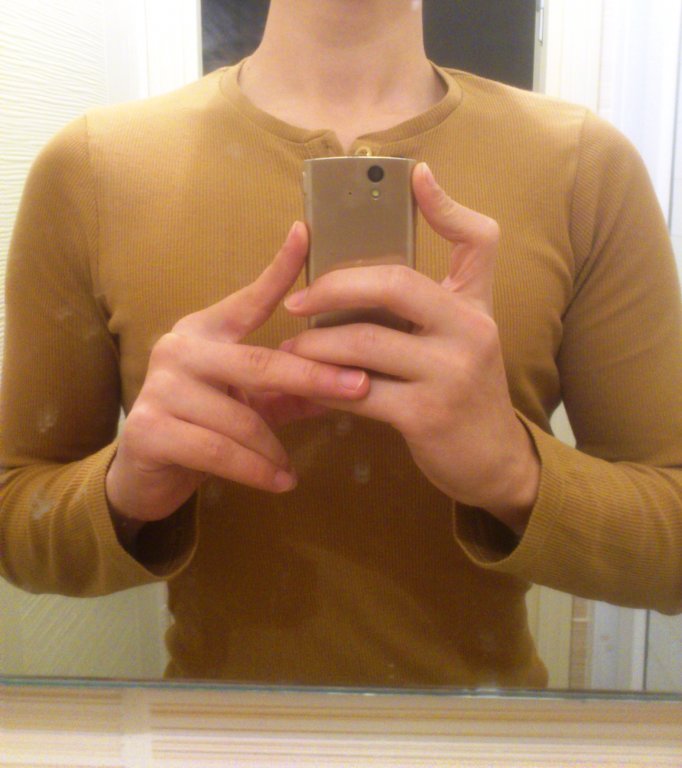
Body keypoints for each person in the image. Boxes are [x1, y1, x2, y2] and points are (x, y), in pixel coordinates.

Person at [1, 0, 681, 687]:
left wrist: (514, 473)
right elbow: (14, 518)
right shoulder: (91, 171)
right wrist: (124, 491)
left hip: (486, 735)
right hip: (214, 734)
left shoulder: (584, 169)